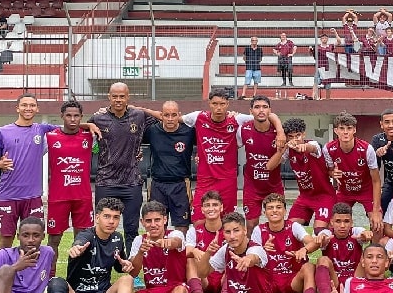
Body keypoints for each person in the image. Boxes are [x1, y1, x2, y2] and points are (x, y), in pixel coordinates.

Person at [137, 88, 285, 225]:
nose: (218, 107)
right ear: (209, 103)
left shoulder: (237, 120)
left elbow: (268, 115)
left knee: (228, 222)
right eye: (215, 103)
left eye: (222, 104)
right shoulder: (198, 117)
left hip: (227, 180)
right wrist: (141, 110)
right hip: (205, 180)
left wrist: (280, 131)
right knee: (198, 222)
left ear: (227, 104)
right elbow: (172, 118)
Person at [0, 94, 98, 250]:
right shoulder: (2, 131)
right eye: (24, 105)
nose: (28, 108)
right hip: (8, 194)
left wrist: (89, 126)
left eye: (32, 105)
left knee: (33, 241)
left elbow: (69, 126)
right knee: (6, 240)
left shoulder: (42, 130)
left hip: (33, 196)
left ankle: (31, 274)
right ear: (17, 108)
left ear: (37, 108)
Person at [45, 197, 135, 293]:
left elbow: (119, 266)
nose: (111, 221)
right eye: (106, 216)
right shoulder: (86, 235)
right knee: (55, 282)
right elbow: (80, 241)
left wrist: (125, 265)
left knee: (127, 279)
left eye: (115, 217)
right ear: (97, 217)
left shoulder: (117, 238)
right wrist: (76, 248)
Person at [89, 82, 157, 253]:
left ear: (128, 97)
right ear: (109, 97)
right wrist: (87, 124)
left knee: (131, 228)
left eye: (122, 96)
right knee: (103, 227)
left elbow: (164, 117)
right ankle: (101, 265)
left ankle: (131, 266)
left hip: (131, 182)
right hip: (106, 182)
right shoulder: (98, 118)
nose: (118, 100)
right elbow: (76, 128)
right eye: (115, 96)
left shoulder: (139, 116)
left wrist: (138, 107)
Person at [121, 201, 190, 293]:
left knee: (181, 290)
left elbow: (177, 241)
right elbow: (133, 273)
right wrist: (141, 252)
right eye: (148, 221)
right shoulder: (139, 240)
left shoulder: (175, 233)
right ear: (142, 222)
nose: (153, 224)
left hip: (174, 289)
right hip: (153, 291)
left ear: (165, 220)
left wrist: (168, 242)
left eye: (157, 220)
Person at [250, 193, 321, 293]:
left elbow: (313, 242)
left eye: (278, 207)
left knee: (309, 266)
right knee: (251, 268)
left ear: (285, 211)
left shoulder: (294, 226)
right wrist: (261, 250)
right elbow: (251, 256)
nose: (275, 210)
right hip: (269, 281)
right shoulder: (258, 230)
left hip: (292, 281)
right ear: (264, 212)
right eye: (270, 208)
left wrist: (303, 250)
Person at [46, 100, 94, 277]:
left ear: (81, 117)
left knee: (82, 240)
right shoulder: (50, 137)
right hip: (58, 197)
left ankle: (78, 276)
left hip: (82, 197)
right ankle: (49, 278)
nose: (72, 119)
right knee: (54, 239)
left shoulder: (90, 136)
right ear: (62, 117)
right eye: (69, 115)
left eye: (76, 116)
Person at [269, 119, 336, 234]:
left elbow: (311, 147)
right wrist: (282, 149)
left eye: (298, 135)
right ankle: (299, 251)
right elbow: (270, 166)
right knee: (289, 229)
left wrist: (302, 146)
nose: (295, 139)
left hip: (324, 196)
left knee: (319, 230)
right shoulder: (288, 151)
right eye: (291, 136)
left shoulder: (313, 145)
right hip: (305, 197)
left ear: (303, 134)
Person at [323, 112, 383, 235]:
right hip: (345, 192)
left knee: (377, 224)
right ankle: (342, 250)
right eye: (342, 128)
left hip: (366, 191)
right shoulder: (328, 149)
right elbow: (329, 172)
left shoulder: (367, 149)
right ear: (336, 130)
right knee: (334, 224)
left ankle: (374, 251)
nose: (345, 132)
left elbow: (376, 180)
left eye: (349, 128)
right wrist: (333, 173)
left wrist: (376, 210)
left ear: (354, 130)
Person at [314, 202, 373, 293]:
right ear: (331, 222)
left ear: (351, 222)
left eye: (346, 221)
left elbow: (364, 233)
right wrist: (321, 240)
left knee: (368, 255)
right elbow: (322, 236)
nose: (342, 225)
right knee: (322, 260)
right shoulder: (327, 234)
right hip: (335, 283)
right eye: (338, 221)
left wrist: (366, 235)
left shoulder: (356, 232)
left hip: (354, 282)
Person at [143, 100, 195, 235]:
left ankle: (179, 254)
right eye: (166, 115)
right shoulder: (152, 131)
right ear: (161, 115)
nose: (170, 119)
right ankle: (158, 254)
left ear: (179, 115)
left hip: (181, 184)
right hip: (157, 184)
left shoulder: (189, 132)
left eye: (173, 115)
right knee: (157, 225)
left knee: (182, 226)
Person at [241, 96, 283, 234]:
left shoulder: (279, 132)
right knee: (251, 224)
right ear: (251, 111)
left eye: (264, 107)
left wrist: (281, 131)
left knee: (276, 223)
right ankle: (251, 252)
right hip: (252, 186)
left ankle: (275, 252)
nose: (261, 110)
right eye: (257, 107)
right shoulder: (243, 128)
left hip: (273, 185)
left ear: (270, 110)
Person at [184, 191, 226, 293]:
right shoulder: (194, 231)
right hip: (203, 277)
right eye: (207, 205)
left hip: (224, 278)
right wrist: (194, 251)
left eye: (215, 205)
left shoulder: (230, 229)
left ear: (221, 208)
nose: (211, 208)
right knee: (190, 258)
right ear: (202, 210)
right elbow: (187, 251)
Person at [311, 30, 341, 100]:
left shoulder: (330, 46)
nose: (324, 39)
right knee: (316, 82)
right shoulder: (317, 47)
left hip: (328, 68)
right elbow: (313, 55)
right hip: (319, 67)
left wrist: (335, 32)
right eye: (323, 38)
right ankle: (313, 97)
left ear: (327, 39)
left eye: (325, 38)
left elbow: (339, 42)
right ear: (321, 39)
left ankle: (328, 100)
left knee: (328, 86)